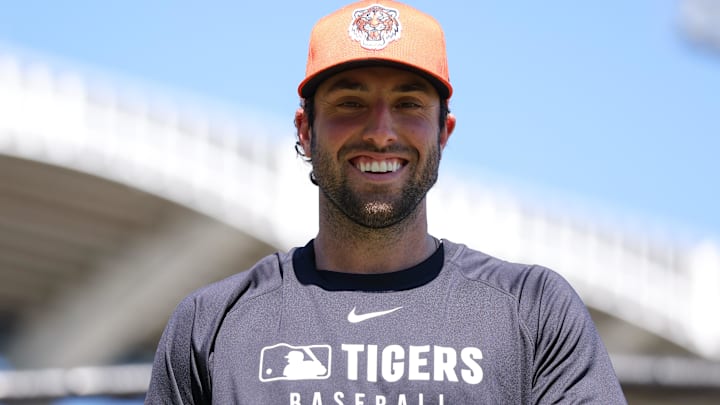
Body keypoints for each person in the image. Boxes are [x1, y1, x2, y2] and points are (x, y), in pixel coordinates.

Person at [145, 1, 627, 403]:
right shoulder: (213, 324)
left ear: (444, 132)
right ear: (305, 131)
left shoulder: (533, 313)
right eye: (350, 103)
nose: (380, 132)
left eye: (408, 104)